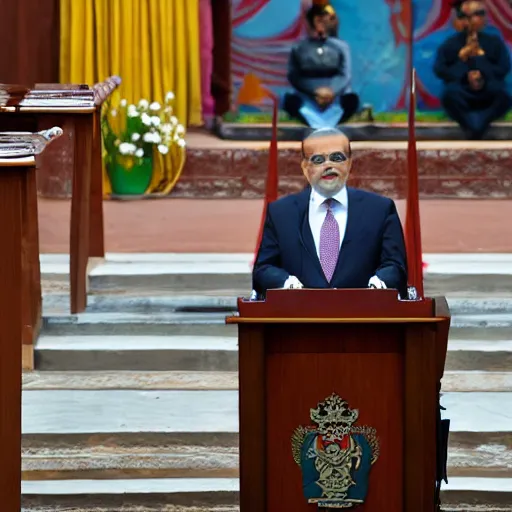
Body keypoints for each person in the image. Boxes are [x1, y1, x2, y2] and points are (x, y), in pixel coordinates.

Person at [252, 128, 407, 297]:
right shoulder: (281, 212)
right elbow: (263, 269)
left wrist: (379, 283)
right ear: (304, 167)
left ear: (349, 162)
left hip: (361, 316)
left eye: (337, 158)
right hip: (299, 316)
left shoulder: (380, 209)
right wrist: (286, 283)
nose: (328, 166)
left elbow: (395, 265)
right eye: (318, 160)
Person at [434, 0, 511, 139]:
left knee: (503, 96)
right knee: (449, 96)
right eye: (475, 14)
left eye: (481, 14)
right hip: (462, 93)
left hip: (487, 92)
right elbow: (440, 69)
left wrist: (482, 69)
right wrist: (464, 71)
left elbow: (503, 68)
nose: (479, 19)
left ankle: (478, 123)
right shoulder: (451, 44)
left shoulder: (493, 42)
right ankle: (473, 124)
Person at [283, 4, 359, 129]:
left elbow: (345, 74)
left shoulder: (341, 47)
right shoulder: (299, 48)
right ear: (316, 20)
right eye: (329, 18)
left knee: (351, 100)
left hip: (334, 99)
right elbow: (294, 76)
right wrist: (315, 92)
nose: (333, 22)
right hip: (308, 99)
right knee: (290, 101)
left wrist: (331, 91)